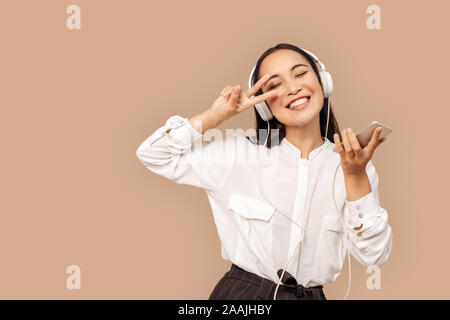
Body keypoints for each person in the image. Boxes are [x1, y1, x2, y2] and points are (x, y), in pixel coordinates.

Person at [136, 43, 393, 300]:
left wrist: (355, 176)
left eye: (301, 73)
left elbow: (374, 255)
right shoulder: (238, 154)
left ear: (324, 82)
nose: (292, 88)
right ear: (263, 105)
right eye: (274, 85)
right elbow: (153, 154)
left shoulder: (354, 165)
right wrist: (215, 117)